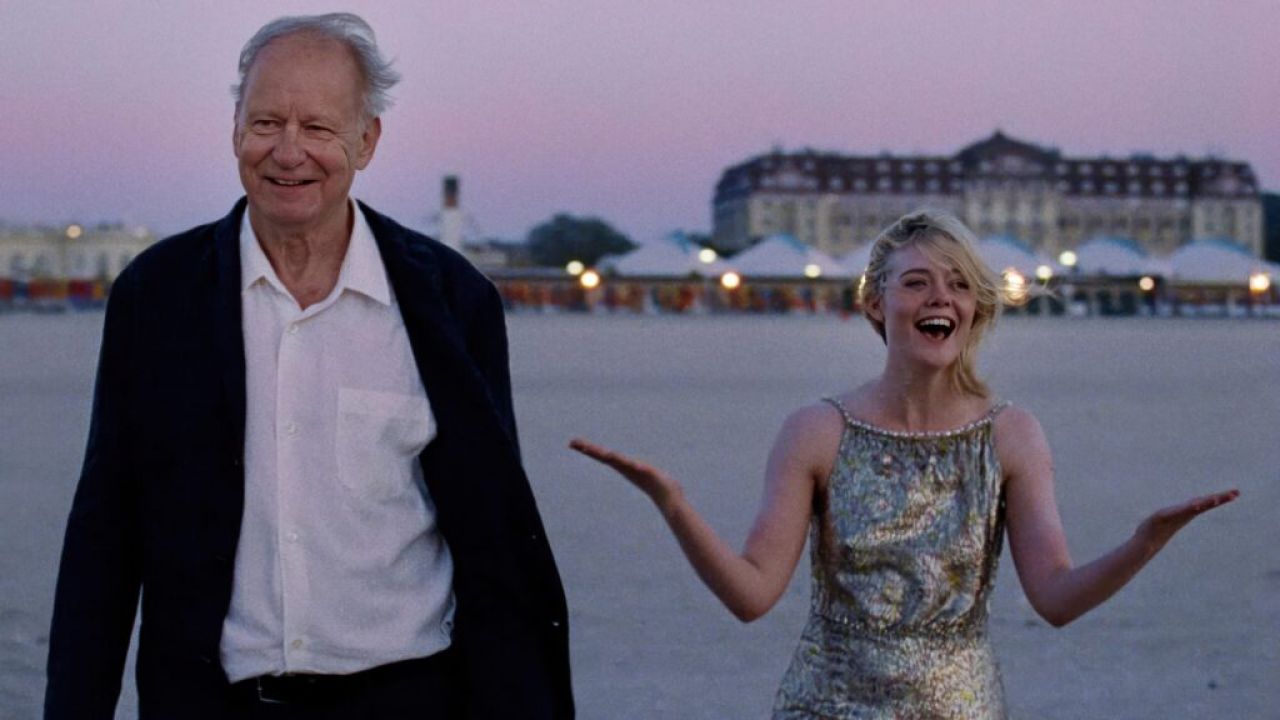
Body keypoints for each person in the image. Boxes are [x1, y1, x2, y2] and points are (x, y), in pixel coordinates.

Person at [46, 13, 572, 719]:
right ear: (235, 130)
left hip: (409, 701)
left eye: (319, 128)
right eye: (266, 122)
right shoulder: (157, 295)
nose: (288, 152)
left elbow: (495, 534)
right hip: (211, 703)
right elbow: (106, 532)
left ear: (367, 140)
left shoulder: (452, 301)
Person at [571, 209, 1238, 719]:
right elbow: (751, 596)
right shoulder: (816, 431)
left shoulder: (1011, 435)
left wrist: (1144, 543)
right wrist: (674, 505)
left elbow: (1056, 598)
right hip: (826, 706)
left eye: (958, 285)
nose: (939, 297)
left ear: (975, 308)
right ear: (875, 303)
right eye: (916, 283)